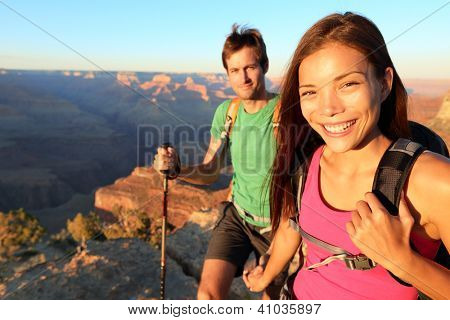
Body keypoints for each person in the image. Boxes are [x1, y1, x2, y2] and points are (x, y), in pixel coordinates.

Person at [243, 12, 450, 299]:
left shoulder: (432, 180)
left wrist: (403, 261)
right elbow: (293, 227)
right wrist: (265, 280)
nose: (328, 108)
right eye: (310, 92)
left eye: (347, 84)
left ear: (384, 83)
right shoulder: (306, 162)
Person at [153, 24, 283, 299]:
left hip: (278, 227)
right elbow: (211, 170)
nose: (243, 78)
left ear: (265, 65)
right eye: (234, 70)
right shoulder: (228, 113)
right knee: (207, 298)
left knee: (270, 301)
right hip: (238, 216)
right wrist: (177, 169)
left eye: (250, 67)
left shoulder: (287, 112)